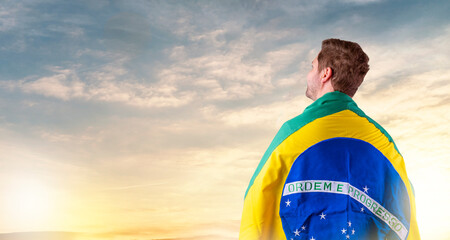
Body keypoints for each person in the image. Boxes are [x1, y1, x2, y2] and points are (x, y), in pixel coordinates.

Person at [239, 39, 420, 240]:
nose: (309, 75)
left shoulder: (293, 133)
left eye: (312, 67)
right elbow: (405, 211)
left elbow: (256, 201)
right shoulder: (383, 141)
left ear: (325, 74)